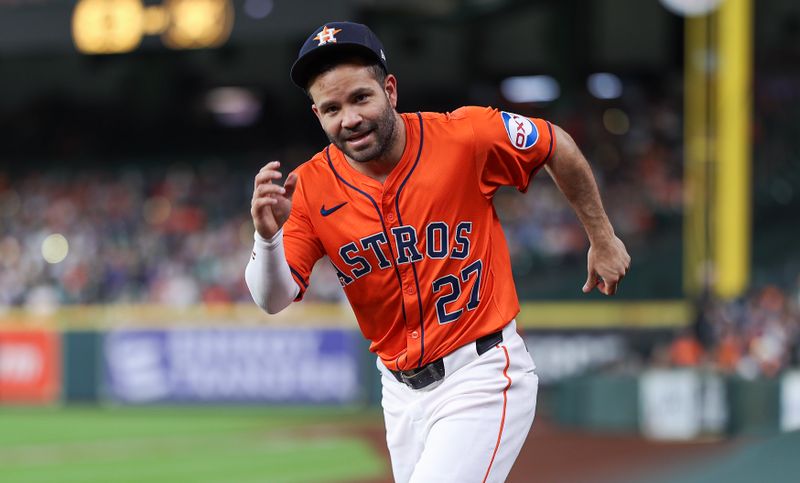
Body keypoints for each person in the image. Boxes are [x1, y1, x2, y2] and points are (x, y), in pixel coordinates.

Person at [246, 21, 630, 483]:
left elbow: (553, 144)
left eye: (360, 98)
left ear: (390, 89)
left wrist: (602, 237)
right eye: (332, 108)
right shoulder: (307, 187)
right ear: (317, 115)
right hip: (399, 394)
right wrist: (267, 239)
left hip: (481, 372)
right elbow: (273, 299)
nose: (348, 118)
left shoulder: (464, 136)